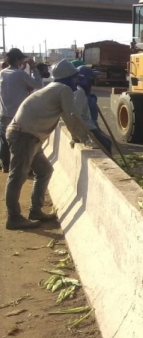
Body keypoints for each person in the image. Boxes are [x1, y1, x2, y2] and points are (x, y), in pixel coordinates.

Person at [4, 60, 89, 230]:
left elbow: (67, 117)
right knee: (17, 176)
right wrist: (82, 137)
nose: (76, 82)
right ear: (68, 78)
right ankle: (13, 217)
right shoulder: (63, 90)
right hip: (24, 136)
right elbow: (72, 116)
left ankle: (35, 210)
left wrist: (77, 135)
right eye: (75, 79)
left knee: (44, 171)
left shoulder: (53, 89)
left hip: (29, 136)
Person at [0, 48, 43, 173]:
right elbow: (38, 85)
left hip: (3, 112)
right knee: (19, 143)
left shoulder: (3, 73)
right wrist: (34, 68)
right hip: (17, 115)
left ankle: (5, 166)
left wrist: (22, 70)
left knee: (4, 141)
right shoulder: (20, 74)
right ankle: (20, 169)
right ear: (18, 60)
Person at [74, 66, 112, 153]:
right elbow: (75, 114)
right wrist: (83, 135)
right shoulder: (79, 92)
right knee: (106, 145)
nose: (92, 80)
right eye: (90, 77)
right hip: (87, 126)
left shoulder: (82, 90)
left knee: (107, 143)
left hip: (89, 123)